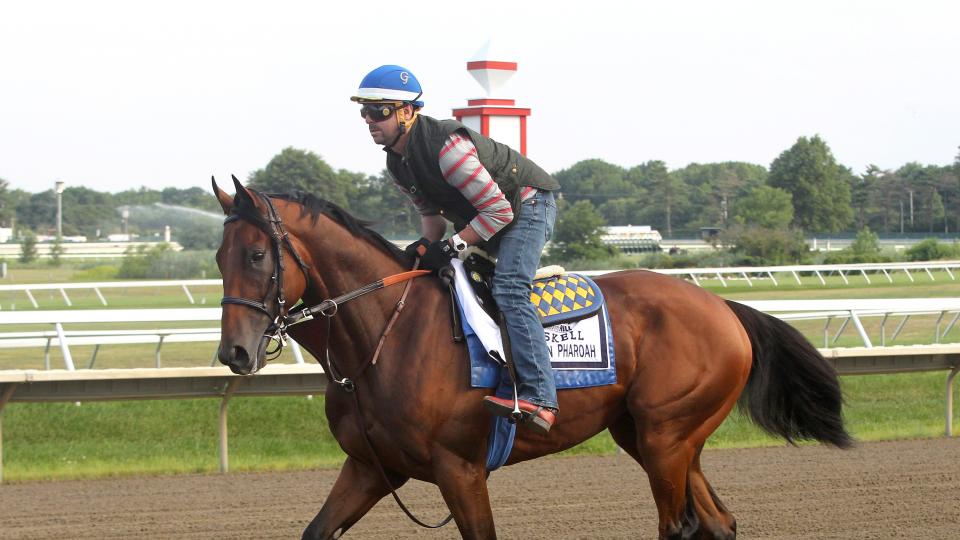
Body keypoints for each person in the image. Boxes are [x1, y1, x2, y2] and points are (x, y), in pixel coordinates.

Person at [351, 65, 561, 435]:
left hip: (526, 206)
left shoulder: (448, 148)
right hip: (491, 217)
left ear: (407, 111)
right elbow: (431, 219)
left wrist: (452, 244)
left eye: (379, 111)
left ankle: (540, 398)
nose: (369, 120)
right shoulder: (397, 162)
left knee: (510, 288)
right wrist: (423, 247)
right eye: (364, 111)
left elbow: (499, 211)